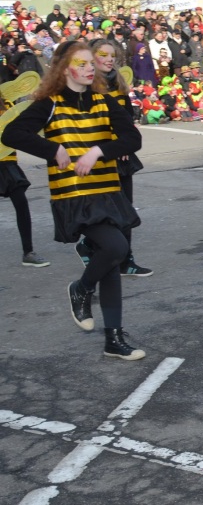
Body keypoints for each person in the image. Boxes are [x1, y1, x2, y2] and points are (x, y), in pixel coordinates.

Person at [1, 41, 145, 360]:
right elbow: (11, 134)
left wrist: (98, 151)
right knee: (117, 249)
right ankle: (80, 288)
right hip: (74, 197)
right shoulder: (49, 104)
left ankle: (113, 339)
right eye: (82, 63)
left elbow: (133, 138)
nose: (90, 67)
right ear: (65, 69)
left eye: (91, 62)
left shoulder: (104, 101)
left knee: (109, 261)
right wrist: (51, 150)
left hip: (106, 192)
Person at [76, 39, 153, 277]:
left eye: (113, 56)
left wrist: (125, 143)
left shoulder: (118, 83)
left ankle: (124, 260)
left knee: (125, 209)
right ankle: (94, 247)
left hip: (121, 156)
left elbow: (127, 118)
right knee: (104, 211)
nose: (109, 59)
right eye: (103, 55)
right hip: (99, 158)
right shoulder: (85, 87)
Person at [0, 93, 49, 268]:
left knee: (21, 203)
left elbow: (19, 128)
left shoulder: (7, 103)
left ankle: (28, 252)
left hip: (8, 163)